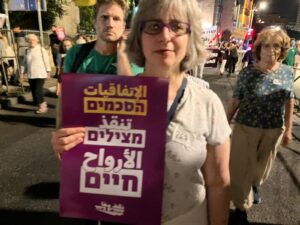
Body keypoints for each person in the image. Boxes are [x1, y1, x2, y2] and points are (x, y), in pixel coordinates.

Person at [52, 0, 232, 225]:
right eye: (154, 26)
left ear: (191, 36)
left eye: (176, 26)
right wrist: (66, 145)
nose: (165, 36)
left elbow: (218, 183)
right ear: (139, 36)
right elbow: (86, 157)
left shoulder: (207, 103)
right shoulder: (109, 97)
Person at [227, 26, 294, 225]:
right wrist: (223, 125)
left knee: (260, 171)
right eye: (266, 45)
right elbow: (235, 100)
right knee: (240, 169)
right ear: (259, 48)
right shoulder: (248, 73)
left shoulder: (287, 73)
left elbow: (289, 101)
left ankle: (254, 184)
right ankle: (241, 207)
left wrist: (288, 129)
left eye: (276, 46)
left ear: (282, 50)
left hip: (273, 129)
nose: (270, 50)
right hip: (246, 127)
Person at [20, 34, 51, 114]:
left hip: (40, 73)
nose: (31, 42)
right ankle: (38, 103)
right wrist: (22, 73)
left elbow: (46, 61)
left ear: (37, 40)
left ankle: (43, 106)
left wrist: (48, 71)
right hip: (31, 74)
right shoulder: (27, 50)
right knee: (34, 91)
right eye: (29, 40)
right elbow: (24, 63)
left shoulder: (41, 49)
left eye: (33, 40)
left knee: (38, 90)